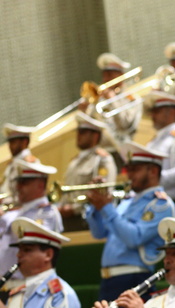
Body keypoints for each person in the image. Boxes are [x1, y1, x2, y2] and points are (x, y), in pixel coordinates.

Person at [85, 142, 175, 308]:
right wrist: (95, 207)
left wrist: (105, 207)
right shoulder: (127, 201)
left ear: (153, 171)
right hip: (109, 279)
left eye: (136, 169)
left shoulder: (161, 204)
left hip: (134, 278)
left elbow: (134, 238)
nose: (129, 175)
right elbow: (99, 233)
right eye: (129, 169)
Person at [0, 161, 62, 292]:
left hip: (26, 287)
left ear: (40, 184)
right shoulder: (14, 213)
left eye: (24, 183)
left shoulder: (47, 213)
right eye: (18, 182)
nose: (17, 187)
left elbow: (35, 245)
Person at [58, 113, 118, 231]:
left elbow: (104, 194)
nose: (78, 135)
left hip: (87, 220)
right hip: (67, 218)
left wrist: (73, 209)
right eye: (78, 132)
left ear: (95, 135)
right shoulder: (74, 161)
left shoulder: (102, 160)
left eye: (83, 132)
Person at [81, 53, 142, 147]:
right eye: (104, 75)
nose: (105, 79)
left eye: (109, 75)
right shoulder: (101, 99)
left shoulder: (132, 99)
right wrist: (84, 112)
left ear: (121, 75)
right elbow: (93, 125)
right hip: (102, 149)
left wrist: (112, 100)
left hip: (121, 150)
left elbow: (125, 124)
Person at [0, 124, 39, 205]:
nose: (10, 146)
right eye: (9, 142)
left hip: (17, 209)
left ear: (24, 142)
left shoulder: (29, 164)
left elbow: (26, 195)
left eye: (13, 142)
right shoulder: (12, 163)